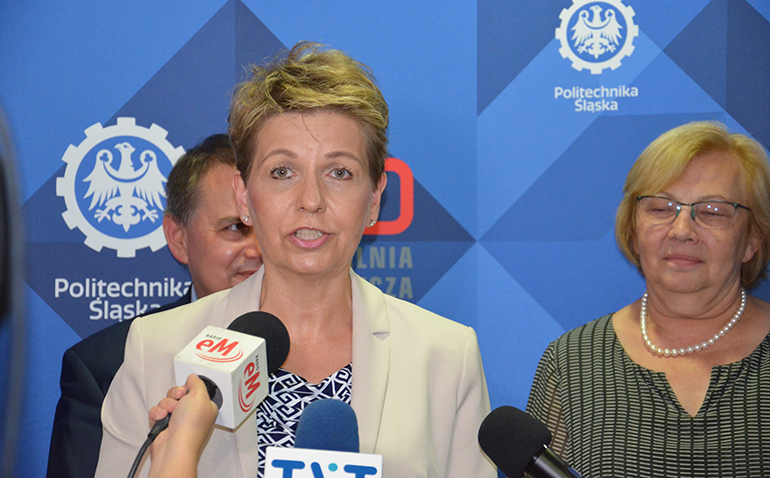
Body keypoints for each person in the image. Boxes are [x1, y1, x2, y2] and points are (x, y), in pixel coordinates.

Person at [95, 42, 496, 478]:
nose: (311, 200)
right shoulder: (157, 348)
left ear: (374, 198)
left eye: (339, 172)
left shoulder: (445, 355)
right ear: (243, 197)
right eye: (282, 172)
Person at [527, 121, 770, 477]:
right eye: (660, 208)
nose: (682, 231)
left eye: (712, 212)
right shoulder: (571, 364)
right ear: (633, 229)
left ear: (752, 240)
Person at [47, 134, 262, 478]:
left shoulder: (327, 351)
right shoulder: (106, 367)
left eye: (265, 228)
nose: (257, 250)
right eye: (235, 228)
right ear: (178, 237)